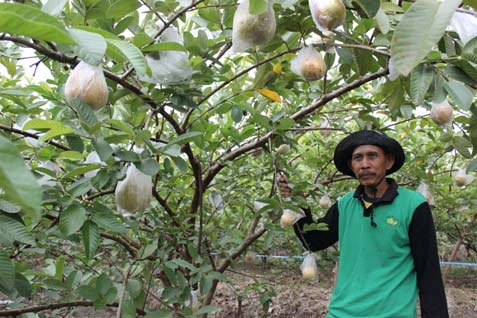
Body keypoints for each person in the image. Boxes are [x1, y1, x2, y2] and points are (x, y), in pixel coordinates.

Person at [278, 130, 449, 318]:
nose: (365, 164)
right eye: (358, 158)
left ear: (389, 161)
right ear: (352, 166)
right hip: (341, 313)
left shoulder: (413, 206)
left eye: (372, 156)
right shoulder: (344, 205)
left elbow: (429, 273)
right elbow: (313, 241)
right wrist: (297, 204)